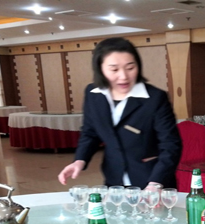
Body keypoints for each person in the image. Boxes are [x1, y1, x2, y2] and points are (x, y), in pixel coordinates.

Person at [58, 37, 182, 189]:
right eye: (114, 70)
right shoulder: (93, 94)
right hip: (114, 180)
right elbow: (90, 132)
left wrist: (156, 183)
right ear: (100, 69)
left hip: (152, 181)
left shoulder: (155, 98)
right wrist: (79, 160)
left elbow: (170, 145)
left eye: (130, 68)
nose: (123, 76)